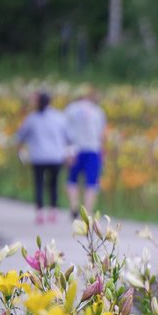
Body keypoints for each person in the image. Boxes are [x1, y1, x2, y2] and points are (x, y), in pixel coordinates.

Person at [15, 91, 69, 224]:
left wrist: (21, 150)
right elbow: (67, 137)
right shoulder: (59, 117)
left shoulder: (32, 118)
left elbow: (20, 136)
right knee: (53, 184)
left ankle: (39, 212)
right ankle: (53, 210)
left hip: (38, 156)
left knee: (39, 183)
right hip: (56, 156)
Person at [63, 86, 108, 219]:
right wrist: (103, 150)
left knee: (72, 179)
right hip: (93, 149)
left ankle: (74, 206)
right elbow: (102, 134)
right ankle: (87, 211)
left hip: (75, 149)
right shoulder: (97, 111)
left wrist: (66, 151)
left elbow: (65, 132)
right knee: (92, 182)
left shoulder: (70, 109)